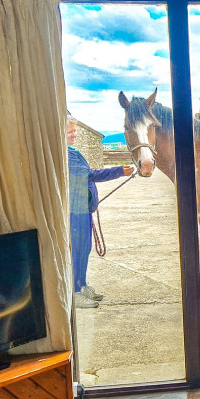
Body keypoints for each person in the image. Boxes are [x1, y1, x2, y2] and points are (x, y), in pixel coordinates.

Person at [67, 115, 133, 309]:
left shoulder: (72, 151)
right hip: (76, 210)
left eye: (74, 131)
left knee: (84, 249)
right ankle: (75, 292)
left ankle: (81, 284)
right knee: (77, 250)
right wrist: (118, 171)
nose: (74, 135)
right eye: (70, 132)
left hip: (83, 209)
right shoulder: (68, 155)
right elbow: (89, 175)